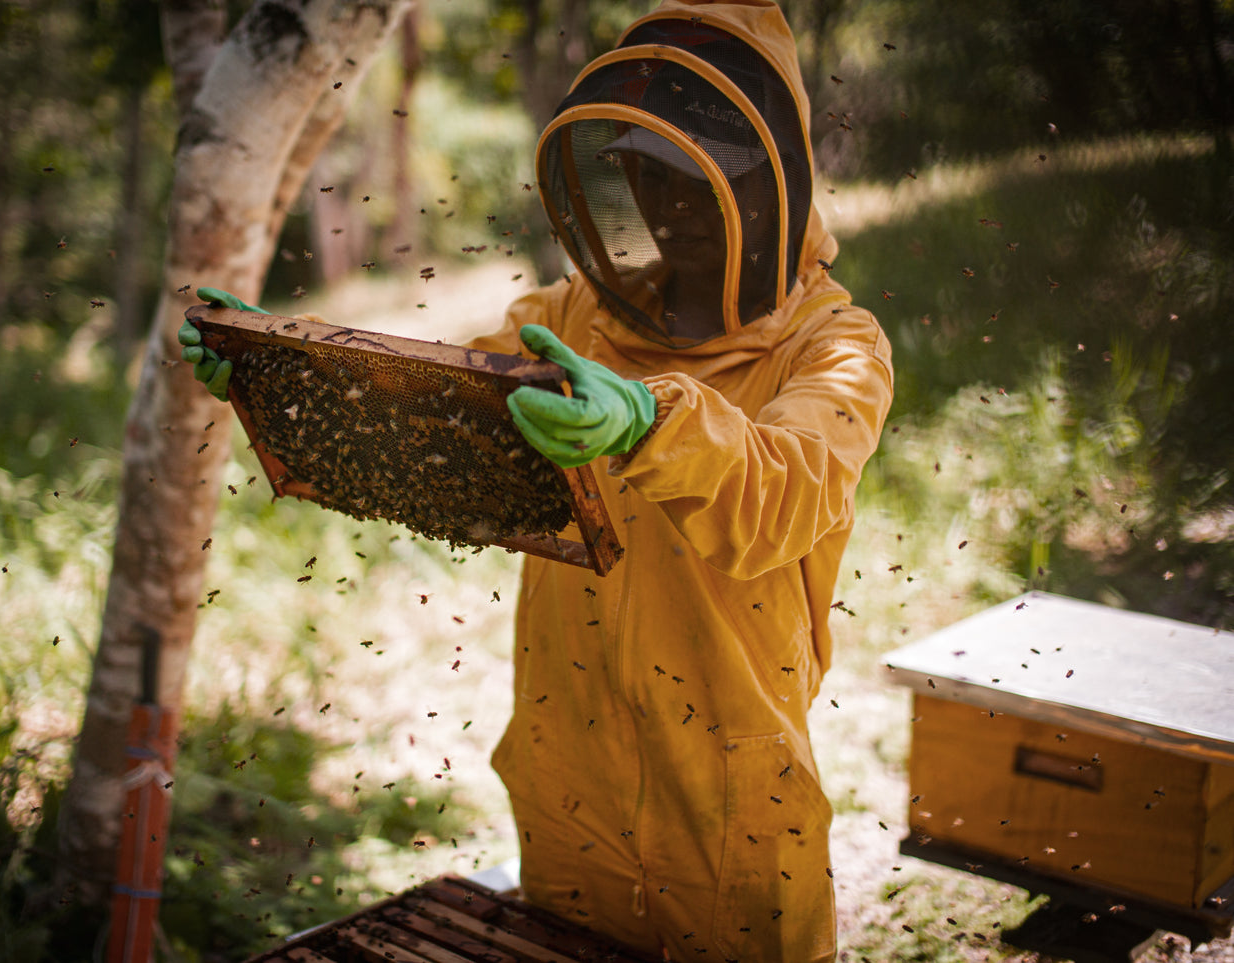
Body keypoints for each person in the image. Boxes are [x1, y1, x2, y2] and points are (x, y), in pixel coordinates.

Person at [181, 2, 892, 959]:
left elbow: (788, 493)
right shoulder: (574, 313)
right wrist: (288, 378)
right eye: (647, 177)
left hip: (729, 793)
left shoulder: (835, 344)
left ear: (767, 185)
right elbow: (434, 409)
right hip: (569, 769)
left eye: (694, 183)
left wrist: (650, 420)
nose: (666, 207)